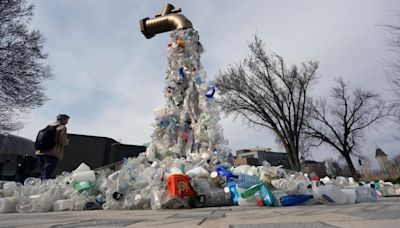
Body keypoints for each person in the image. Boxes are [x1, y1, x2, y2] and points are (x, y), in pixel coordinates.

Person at [35, 114, 70, 179]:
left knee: (43, 173)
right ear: (62, 119)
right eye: (66, 120)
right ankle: (44, 187)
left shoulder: (48, 127)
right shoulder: (62, 128)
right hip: (52, 154)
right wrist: (66, 142)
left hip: (40, 152)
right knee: (47, 175)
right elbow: (62, 141)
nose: (67, 122)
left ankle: (39, 186)